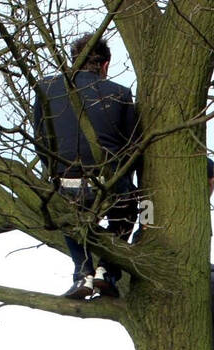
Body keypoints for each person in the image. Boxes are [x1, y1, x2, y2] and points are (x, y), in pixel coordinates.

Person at [32, 34, 142, 299]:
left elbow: (39, 140)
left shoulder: (45, 90)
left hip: (64, 181)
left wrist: (57, 171)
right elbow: (132, 149)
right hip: (107, 183)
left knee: (69, 216)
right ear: (105, 65)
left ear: (74, 62)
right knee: (128, 210)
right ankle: (106, 270)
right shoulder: (120, 93)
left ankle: (83, 272)